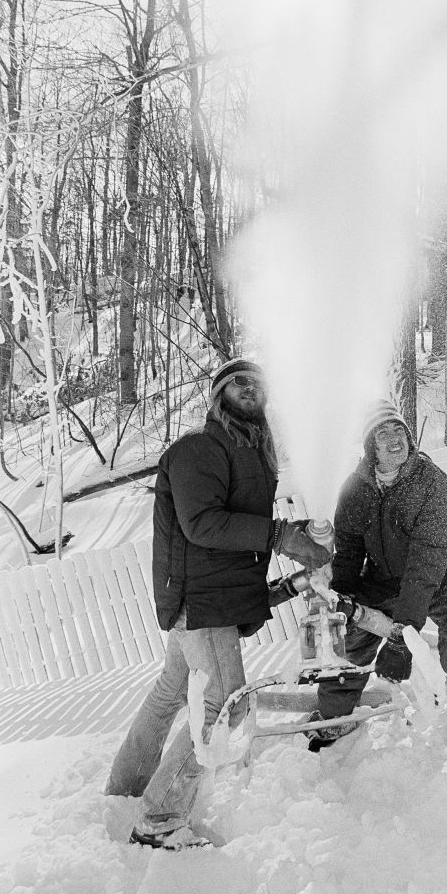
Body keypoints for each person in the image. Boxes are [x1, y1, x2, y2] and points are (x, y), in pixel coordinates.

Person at [105, 358, 331, 850]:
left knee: (171, 692)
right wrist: (280, 535)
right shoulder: (198, 448)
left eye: (258, 383)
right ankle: (159, 820)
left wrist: (290, 584)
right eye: (239, 383)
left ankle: (126, 788)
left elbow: (236, 555)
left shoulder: (249, 455)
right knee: (224, 706)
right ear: (218, 395)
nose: (251, 389)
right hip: (200, 604)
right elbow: (202, 525)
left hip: (209, 602)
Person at [310, 400, 447, 767]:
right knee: (349, 629)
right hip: (386, 578)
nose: (394, 438)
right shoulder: (355, 490)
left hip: (446, 573)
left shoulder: (431, 483)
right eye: (383, 433)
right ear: (370, 446)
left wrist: (402, 634)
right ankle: (336, 712)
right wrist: (342, 598)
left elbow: (427, 560)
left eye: (399, 430)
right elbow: (348, 551)